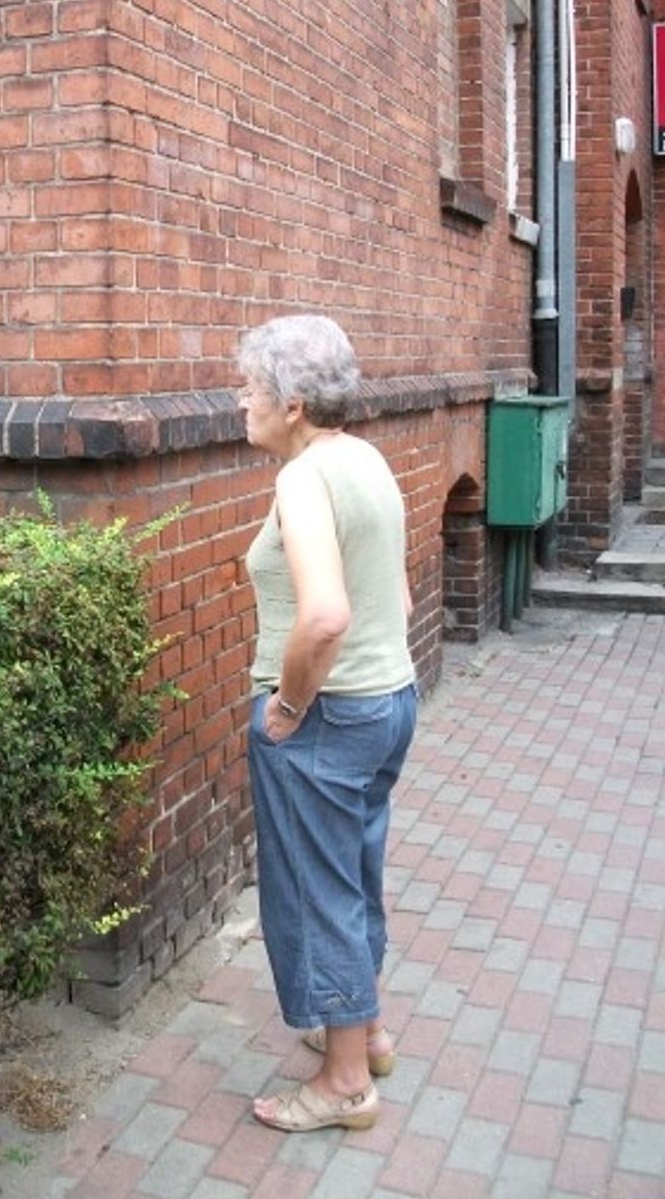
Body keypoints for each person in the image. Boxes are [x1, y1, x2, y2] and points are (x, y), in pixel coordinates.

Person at [237, 313, 417, 1134]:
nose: (242, 402)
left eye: (252, 389)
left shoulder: (304, 479)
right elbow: (399, 595)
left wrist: (286, 708)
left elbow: (326, 618)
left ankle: (345, 1083)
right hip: (388, 703)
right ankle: (367, 1030)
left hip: (327, 717)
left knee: (319, 892)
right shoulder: (368, 460)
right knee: (352, 874)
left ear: (295, 404)